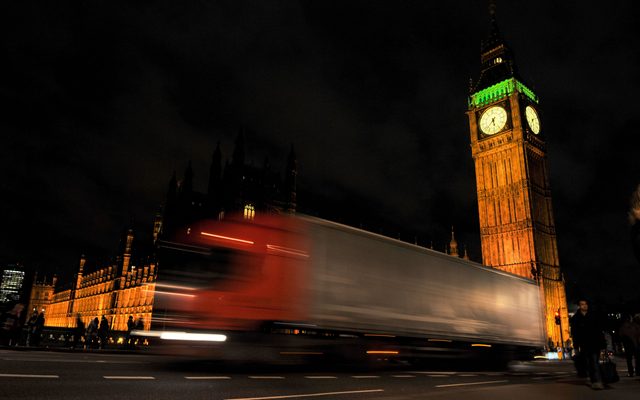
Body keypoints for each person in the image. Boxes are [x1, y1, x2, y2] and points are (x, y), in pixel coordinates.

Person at [570, 298, 606, 390]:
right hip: (584, 345)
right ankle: (594, 379)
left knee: (594, 362)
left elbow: (599, 331)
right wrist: (576, 347)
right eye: (582, 304)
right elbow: (575, 334)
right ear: (579, 306)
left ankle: (596, 381)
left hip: (595, 343)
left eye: (585, 304)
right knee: (589, 363)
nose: (584, 306)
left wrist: (603, 345)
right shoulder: (575, 318)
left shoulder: (593, 316)